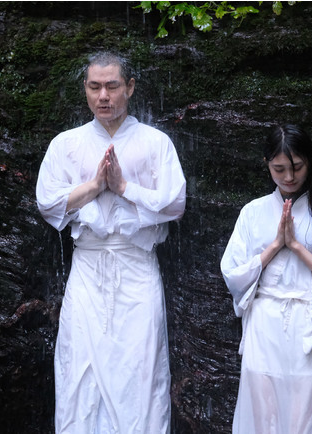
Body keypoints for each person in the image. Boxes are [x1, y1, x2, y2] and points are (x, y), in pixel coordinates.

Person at [36, 51, 186, 434]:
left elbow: (175, 203)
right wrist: (94, 187)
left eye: (112, 86)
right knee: (78, 368)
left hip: (137, 266)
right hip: (87, 268)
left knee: (141, 371)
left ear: (130, 88)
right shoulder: (66, 143)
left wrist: (123, 188)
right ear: (85, 90)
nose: (103, 96)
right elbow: (47, 202)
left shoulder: (155, 142)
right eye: (95, 87)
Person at [220, 124, 312, 434]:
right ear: (267, 164)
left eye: (297, 167)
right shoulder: (252, 212)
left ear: (310, 162)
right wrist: (274, 247)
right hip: (265, 327)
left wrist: (296, 246)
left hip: (311, 326)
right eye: (279, 169)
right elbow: (233, 274)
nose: (289, 177)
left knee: (309, 415)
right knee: (262, 413)